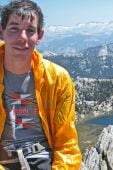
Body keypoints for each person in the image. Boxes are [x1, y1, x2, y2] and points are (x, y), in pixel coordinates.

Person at [0, 0, 82, 169]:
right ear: (2, 31)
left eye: (30, 30)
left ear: (39, 36)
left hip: (44, 160)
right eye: (14, 28)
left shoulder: (58, 79)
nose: (22, 37)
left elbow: (67, 143)